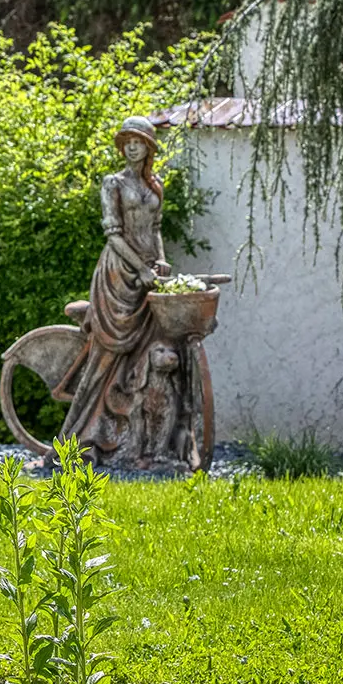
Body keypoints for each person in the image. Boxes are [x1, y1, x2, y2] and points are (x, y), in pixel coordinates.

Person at [52, 115, 200, 470]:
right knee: (109, 354)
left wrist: (160, 261)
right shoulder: (113, 183)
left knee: (145, 350)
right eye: (128, 142)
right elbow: (114, 235)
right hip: (119, 275)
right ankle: (82, 436)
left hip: (149, 272)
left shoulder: (155, 185)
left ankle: (135, 440)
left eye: (139, 142)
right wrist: (141, 268)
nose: (133, 148)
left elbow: (156, 227)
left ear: (149, 148)